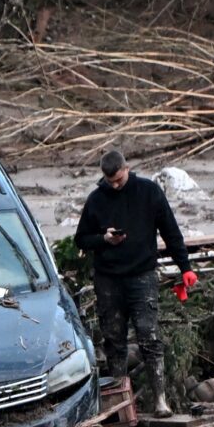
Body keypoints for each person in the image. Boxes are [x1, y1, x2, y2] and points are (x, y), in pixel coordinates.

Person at [74, 148, 194, 408]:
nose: (115, 185)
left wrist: (185, 267)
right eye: (110, 181)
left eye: (118, 179)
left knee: (148, 336)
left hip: (142, 276)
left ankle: (161, 400)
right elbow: (80, 238)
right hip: (108, 279)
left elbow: (171, 232)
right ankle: (120, 403)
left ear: (126, 169)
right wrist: (103, 238)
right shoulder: (96, 200)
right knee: (113, 339)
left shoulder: (149, 192)